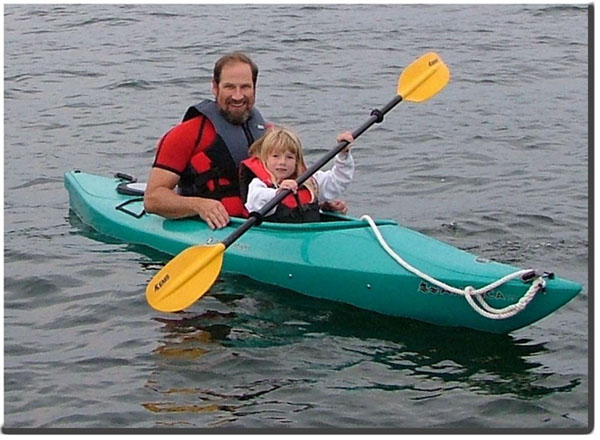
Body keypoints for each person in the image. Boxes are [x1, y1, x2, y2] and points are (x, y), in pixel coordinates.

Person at [144, 51, 347, 229]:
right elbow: (153, 199)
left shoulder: (270, 135)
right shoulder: (186, 135)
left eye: (245, 87)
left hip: (264, 225)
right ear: (215, 87)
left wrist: (313, 204)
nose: (238, 96)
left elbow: (298, 184)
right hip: (210, 228)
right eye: (229, 87)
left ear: (254, 88)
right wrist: (199, 205)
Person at [239, 126, 354, 223]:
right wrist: (278, 193)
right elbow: (255, 202)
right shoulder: (259, 184)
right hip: (277, 240)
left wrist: (343, 154)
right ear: (265, 159)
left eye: (289, 157)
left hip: (310, 238)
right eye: (275, 156)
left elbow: (338, 180)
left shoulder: (310, 182)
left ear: (297, 160)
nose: (282, 162)